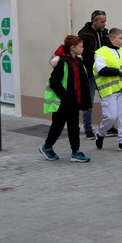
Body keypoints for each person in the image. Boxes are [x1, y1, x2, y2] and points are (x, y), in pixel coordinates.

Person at [39, 35, 91, 163]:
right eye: (80, 46)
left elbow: (82, 82)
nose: (83, 49)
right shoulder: (62, 62)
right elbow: (54, 82)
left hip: (74, 101)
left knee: (74, 127)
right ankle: (47, 147)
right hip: (62, 102)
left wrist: (83, 100)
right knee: (57, 126)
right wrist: (65, 98)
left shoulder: (78, 61)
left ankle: (76, 152)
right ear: (72, 48)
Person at [94, 27, 122, 152]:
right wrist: (119, 72)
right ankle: (100, 133)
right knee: (111, 117)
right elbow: (101, 69)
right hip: (109, 90)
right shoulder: (101, 52)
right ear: (112, 39)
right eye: (120, 38)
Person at [78, 10, 117, 140]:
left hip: (103, 73)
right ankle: (88, 129)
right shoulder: (84, 34)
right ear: (94, 21)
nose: (104, 23)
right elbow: (83, 54)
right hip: (90, 74)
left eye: (105, 21)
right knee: (88, 102)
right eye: (102, 21)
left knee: (107, 100)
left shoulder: (105, 33)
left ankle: (108, 126)